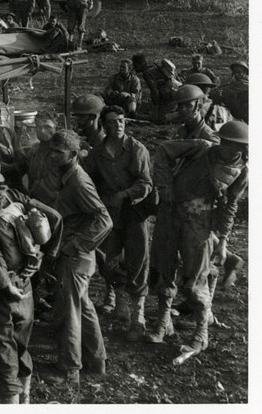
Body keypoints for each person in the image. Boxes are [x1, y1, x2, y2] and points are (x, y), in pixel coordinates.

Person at [0, 149, 61, 404]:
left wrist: (5, 286)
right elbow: (55, 217)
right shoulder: (13, 195)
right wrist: (43, 257)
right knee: (21, 348)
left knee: (2, 357)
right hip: (25, 286)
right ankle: (26, 400)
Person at [146, 121, 248, 360]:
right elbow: (162, 151)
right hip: (170, 213)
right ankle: (163, 322)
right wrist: (165, 187)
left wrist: (222, 240)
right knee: (163, 267)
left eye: (234, 145)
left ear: (242, 148)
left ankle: (201, 333)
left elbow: (230, 206)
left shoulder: (242, 171)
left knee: (196, 279)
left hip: (200, 222)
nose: (226, 148)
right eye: (224, 142)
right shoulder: (200, 147)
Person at [38, 130, 112, 387]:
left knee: (69, 309)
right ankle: (97, 359)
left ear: (72, 154)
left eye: (58, 152)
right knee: (82, 304)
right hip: (75, 252)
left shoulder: (79, 182)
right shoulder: (65, 176)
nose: (52, 155)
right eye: (52, 150)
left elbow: (104, 219)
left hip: (75, 255)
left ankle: (69, 369)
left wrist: (75, 245)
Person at [82, 107, 154, 341]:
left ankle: (138, 315)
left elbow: (146, 184)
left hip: (134, 211)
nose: (119, 125)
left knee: (138, 260)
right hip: (109, 214)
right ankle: (120, 303)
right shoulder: (98, 153)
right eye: (113, 122)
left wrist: (123, 195)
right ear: (104, 125)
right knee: (108, 259)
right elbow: (89, 179)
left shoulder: (135, 149)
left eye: (121, 121)